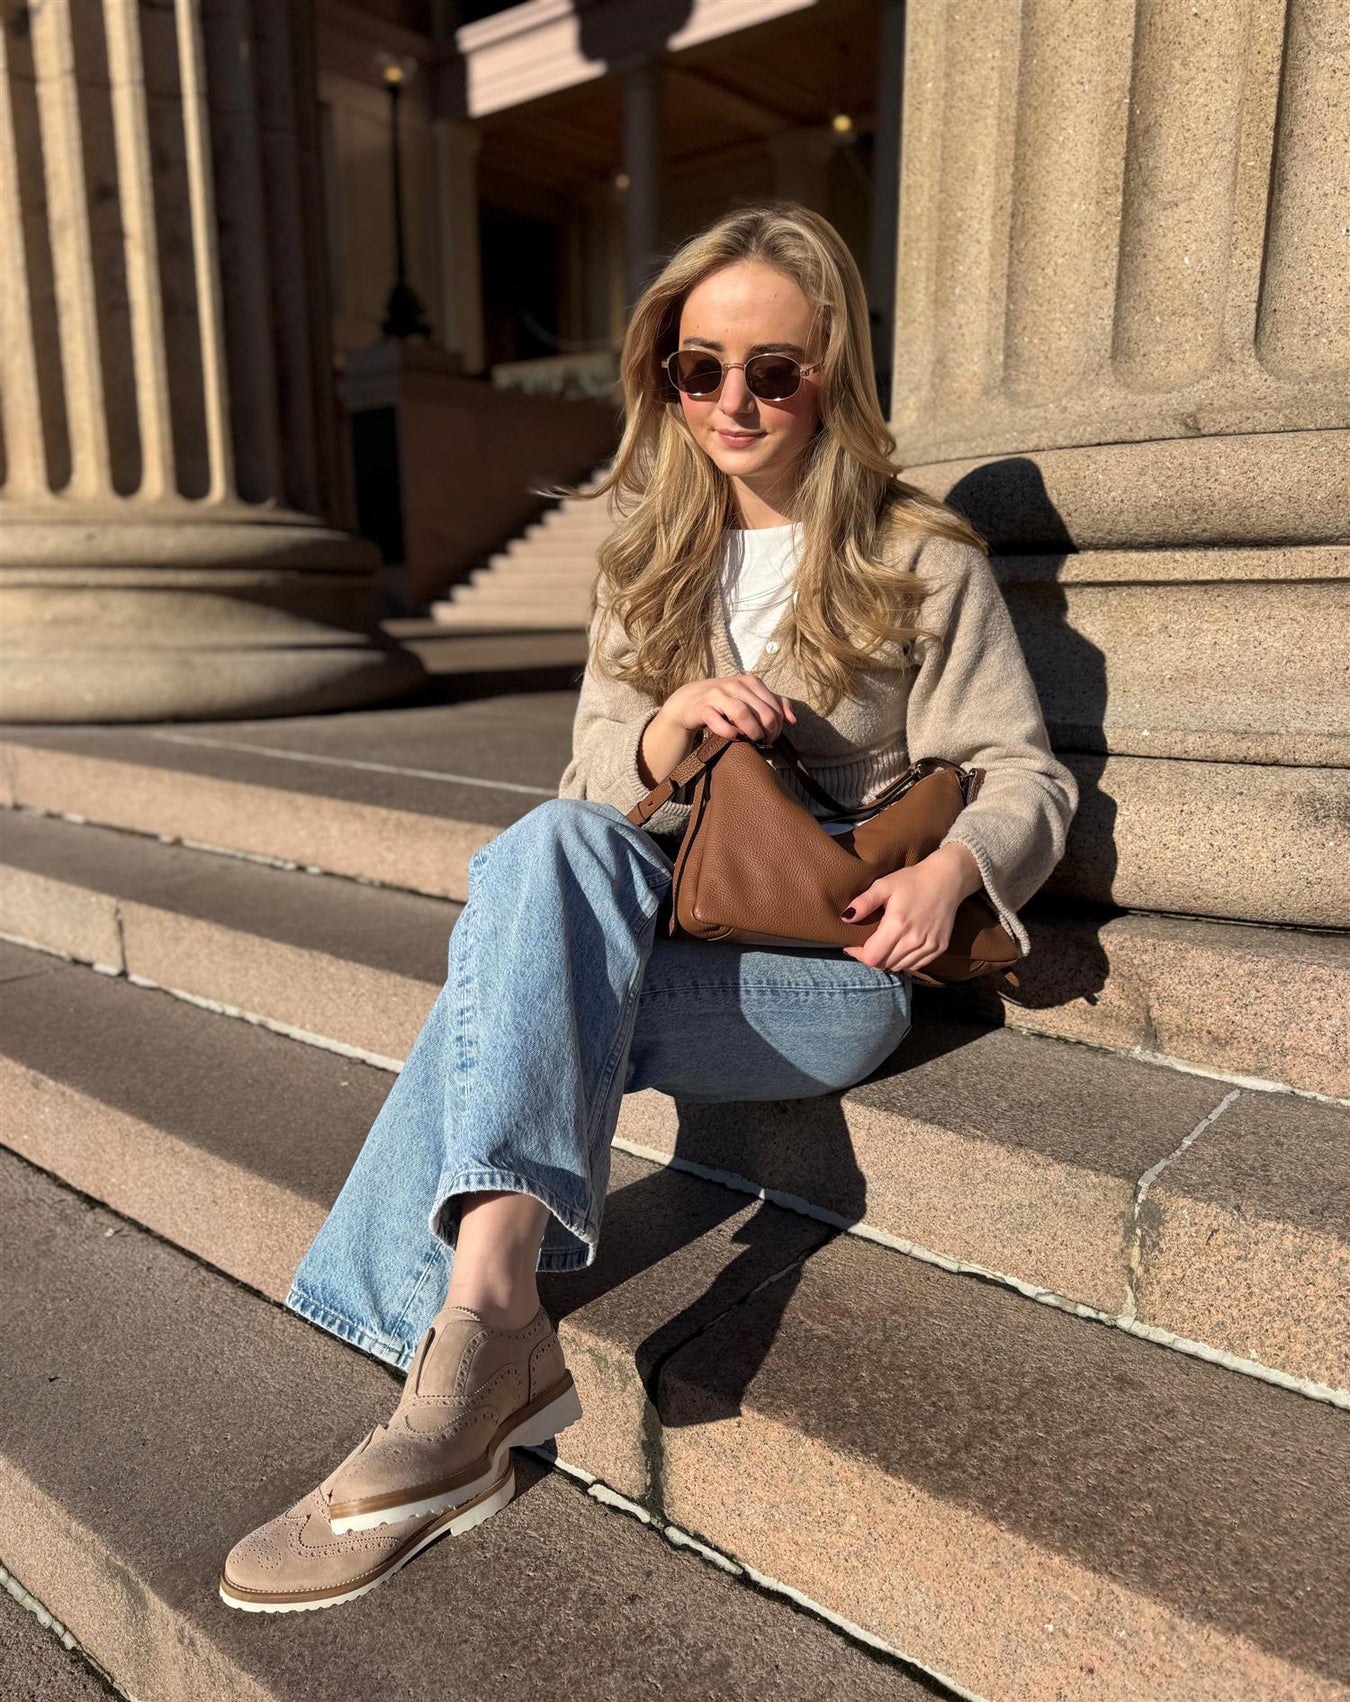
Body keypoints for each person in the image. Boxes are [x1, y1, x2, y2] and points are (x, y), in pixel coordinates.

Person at [220, 201, 1077, 1612]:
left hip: (829, 975)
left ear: (831, 378)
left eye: (773, 372)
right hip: (669, 931)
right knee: (549, 853)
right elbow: (586, 806)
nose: (733, 401)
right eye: (699, 368)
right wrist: (665, 730)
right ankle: (483, 1330)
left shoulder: (920, 558)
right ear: (664, 375)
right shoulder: (646, 561)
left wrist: (954, 871)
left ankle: (459, 1364)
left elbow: (1021, 769)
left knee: (509, 989)